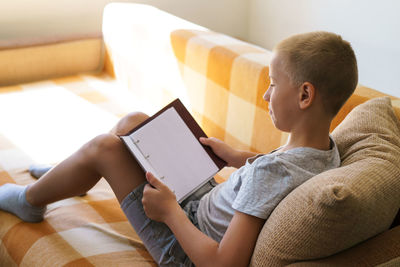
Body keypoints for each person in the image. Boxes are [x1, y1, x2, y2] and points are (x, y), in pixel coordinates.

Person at [0, 31, 358, 266]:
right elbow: (283, 169)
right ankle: (76, 176)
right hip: (205, 200)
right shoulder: (326, 153)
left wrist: (170, 212)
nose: (265, 94)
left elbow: (223, 264)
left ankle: (31, 200)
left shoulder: (270, 174)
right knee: (133, 122)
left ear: (304, 95)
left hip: (184, 242)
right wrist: (235, 157)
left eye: (273, 84)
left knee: (105, 147)